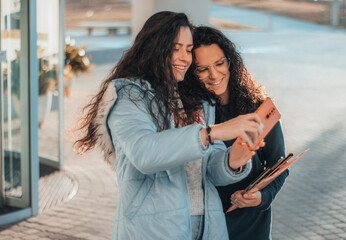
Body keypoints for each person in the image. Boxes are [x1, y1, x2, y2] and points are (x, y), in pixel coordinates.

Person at [74, 12, 264, 240]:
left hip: (208, 227)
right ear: (155, 46)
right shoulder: (130, 96)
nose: (185, 57)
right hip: (154, 230)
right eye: (176, 48)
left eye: (188, 49)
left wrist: (233, 160)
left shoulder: (193, 100)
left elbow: (208, 171)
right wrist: (211, 133)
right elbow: (144, 154)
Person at [188, 26, 289, 240]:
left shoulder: (258, 107)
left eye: (219, 63)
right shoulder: (190, 115)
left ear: (230, 61)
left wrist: (262, 197)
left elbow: (279, 165)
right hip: (207, 227)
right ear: (191, 73)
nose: (214, 75)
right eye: (202, 69)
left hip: (253, 225)